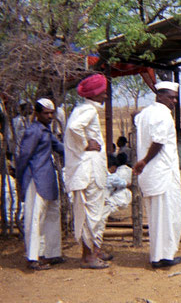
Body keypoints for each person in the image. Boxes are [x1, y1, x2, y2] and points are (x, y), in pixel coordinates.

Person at [133, 81, 181, 269]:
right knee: (168, 214)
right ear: (159, 95)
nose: (174, 101)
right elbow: (159, 141)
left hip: (151, 174)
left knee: (156, 216)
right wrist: (144, 161)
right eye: (170, 97)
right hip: (161, 172)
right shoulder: (163, 115)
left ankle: (157, 256)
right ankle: (165, 256)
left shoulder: (145, 113)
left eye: (175, 97)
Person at [64, 73, 112, 269]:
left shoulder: (84, 109)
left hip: (91, 171)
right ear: (96, 93)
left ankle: (94, 250)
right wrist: (85, 144)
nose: (106, 96)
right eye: (103, 92)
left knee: (95, 212)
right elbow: (74, 128)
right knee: (89, 214)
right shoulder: (88, 111)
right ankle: (88, 256)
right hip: (88, 172)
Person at [16, 98, 65, 271]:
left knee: (52, 215)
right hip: (36, 179)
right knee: (34, 218)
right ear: (37, 114)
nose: (50, 116)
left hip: (48, 179)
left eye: (52, 113)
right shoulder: (34, 131)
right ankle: (32, 258)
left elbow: (60, 147)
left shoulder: (45, 131)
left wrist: (79, 149)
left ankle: (51, 253)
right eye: (46, 113)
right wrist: (20, 179)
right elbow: (23, 157)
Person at [101, 152, 132, 223]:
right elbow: (125, 184)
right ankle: (105, 213)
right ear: (112, 166)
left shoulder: (101, 174)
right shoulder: (112, 177)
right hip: (105, 200)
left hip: (99, 199)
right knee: (125, 192)